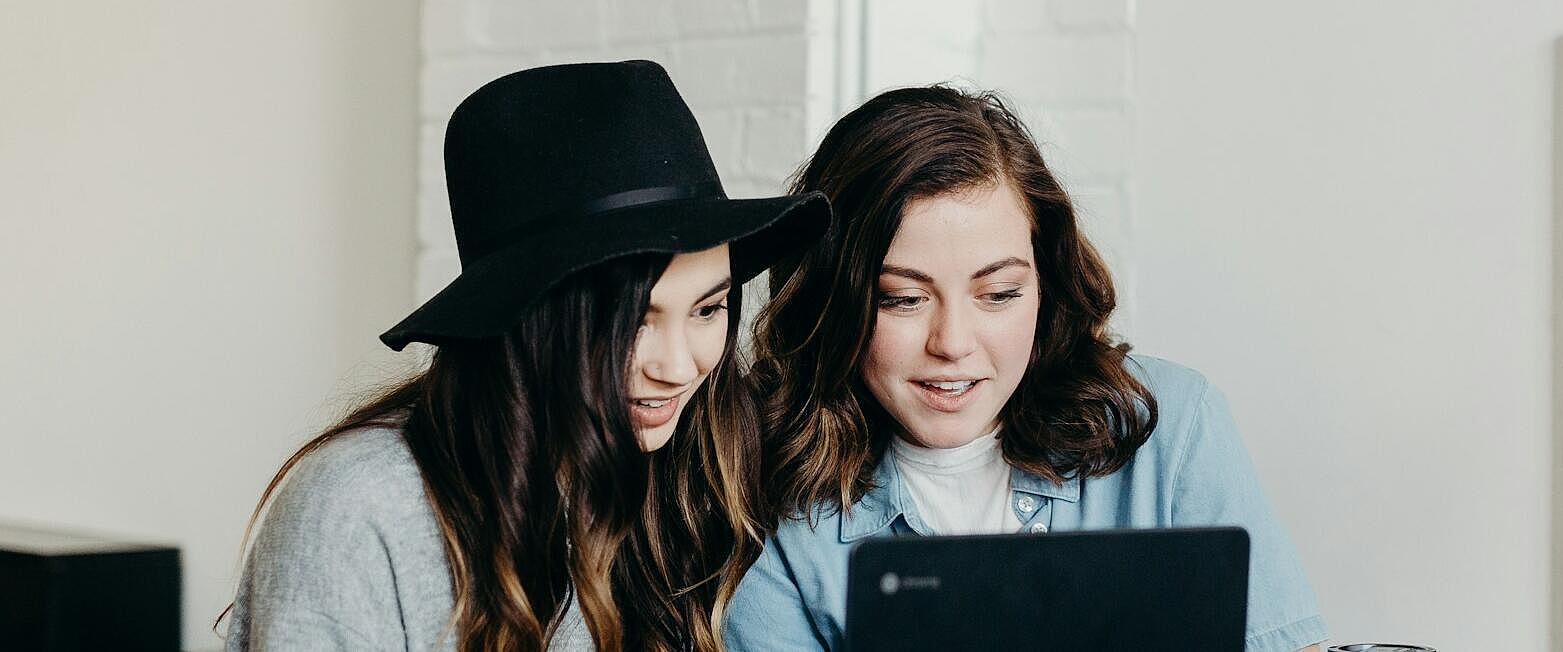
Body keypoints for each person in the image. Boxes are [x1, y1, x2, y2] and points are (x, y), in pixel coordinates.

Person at [221, 60, 829, 651]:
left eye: (707, 309)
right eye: (633, 322)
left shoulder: (693, 472)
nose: (677, 367)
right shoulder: (361, 508)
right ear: (532, 323)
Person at [724, 86, 1328, 651]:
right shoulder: (764, 489)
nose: (953, 344)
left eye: (1000, 293)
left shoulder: (1171, 426)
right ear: (832, 303)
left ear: (1046, 282)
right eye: (902, 299)